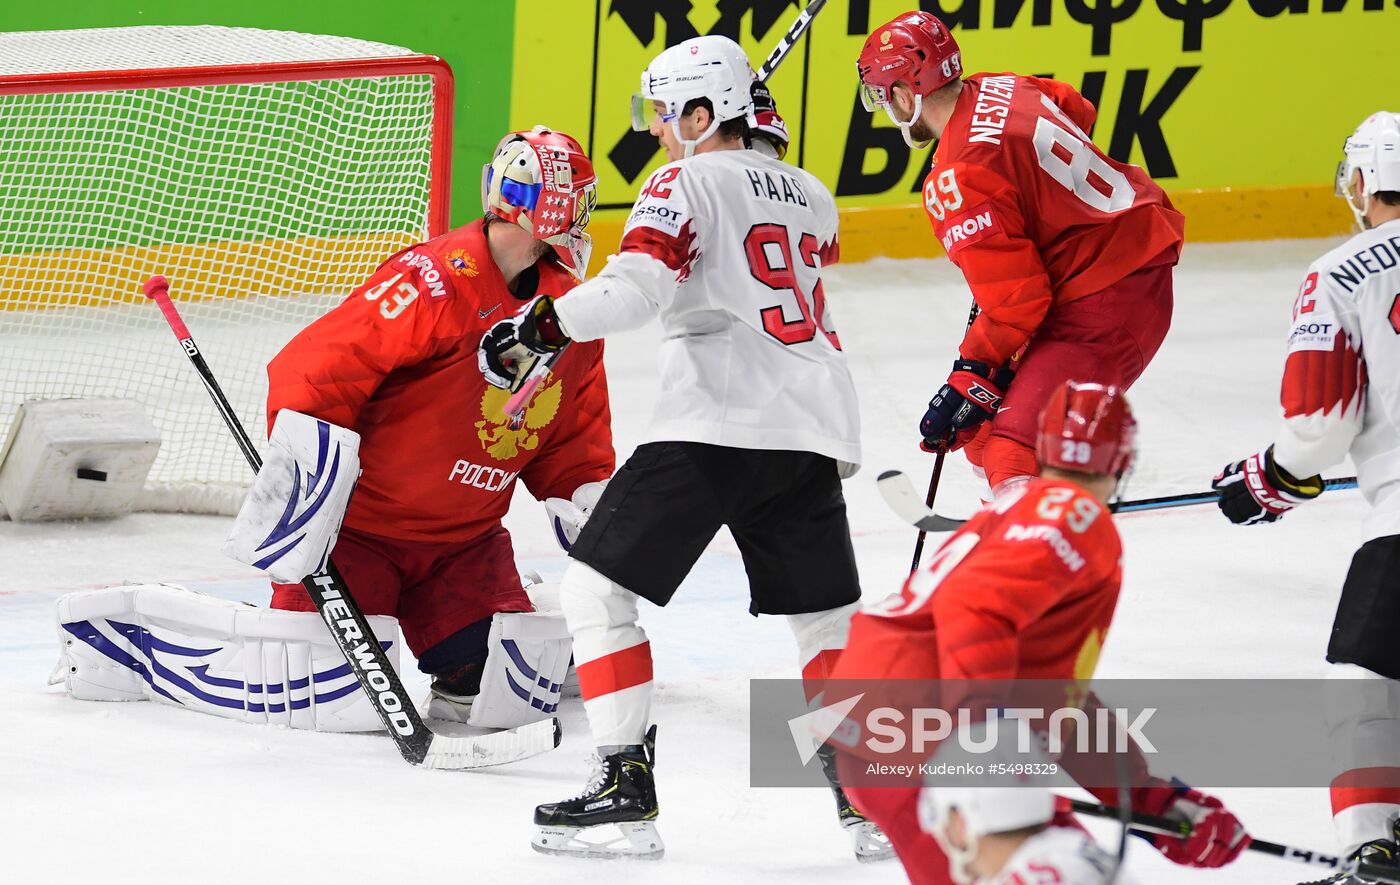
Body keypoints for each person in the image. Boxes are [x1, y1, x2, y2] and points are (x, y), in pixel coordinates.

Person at [477, 35, 880, 861]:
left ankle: (623, 790)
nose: (656, 129)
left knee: (594, 589)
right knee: (825, 621)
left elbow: (636, 290)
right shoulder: (812, 194)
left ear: (703, 115)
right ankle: (873, 805)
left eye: (664, 113)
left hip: (716, 422)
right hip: (812, 424)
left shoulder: (681, 181)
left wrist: (539, 326)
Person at [225, 126, 614, 731]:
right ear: (553, 207)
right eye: (581, 200)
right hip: (355, 538)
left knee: (500, 695)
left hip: (464, 546)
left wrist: (586, 497)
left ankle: (516, 604)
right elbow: (321, 369)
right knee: (317, 697)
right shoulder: (431, 281)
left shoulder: (570, 311)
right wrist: (303, 478)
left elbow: (572, 434)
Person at [825, 381, 1250, 884]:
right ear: (1122, 463)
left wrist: (1143, 796)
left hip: (888, 730)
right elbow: (976, 609)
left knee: (1077, 871)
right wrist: (983, 730)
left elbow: (1050, 690)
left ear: (1043, 449)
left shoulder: (1014, 509)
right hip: (927, 739)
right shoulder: (1074, 515)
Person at [855, 11, 1184, 499]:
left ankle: (1026, 535)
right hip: (1114, 260)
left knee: (1014, 451)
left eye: (885, 96)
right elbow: (1075, 107)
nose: (887, 108)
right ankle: (1004, 515)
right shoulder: (1001, 85)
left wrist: (969, 369)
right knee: (980, 435)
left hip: (1110, 298)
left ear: (906, 94)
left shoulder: (958, 177)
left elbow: (1018, 301)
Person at [1212, 111, 1400, 885]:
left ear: (1362, 181)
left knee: (1365, 685)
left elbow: (1321, 430)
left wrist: (1266, 479)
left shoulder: (1343, 272)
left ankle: (1374, 850)